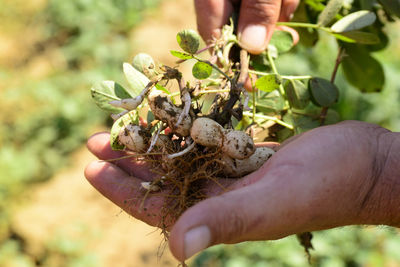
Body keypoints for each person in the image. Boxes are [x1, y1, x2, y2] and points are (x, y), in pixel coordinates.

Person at [84, 0, 400, 262]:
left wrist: (378, 176)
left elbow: (217, 135)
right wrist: (381, 172)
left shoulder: (208, 131)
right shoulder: (192, 127)